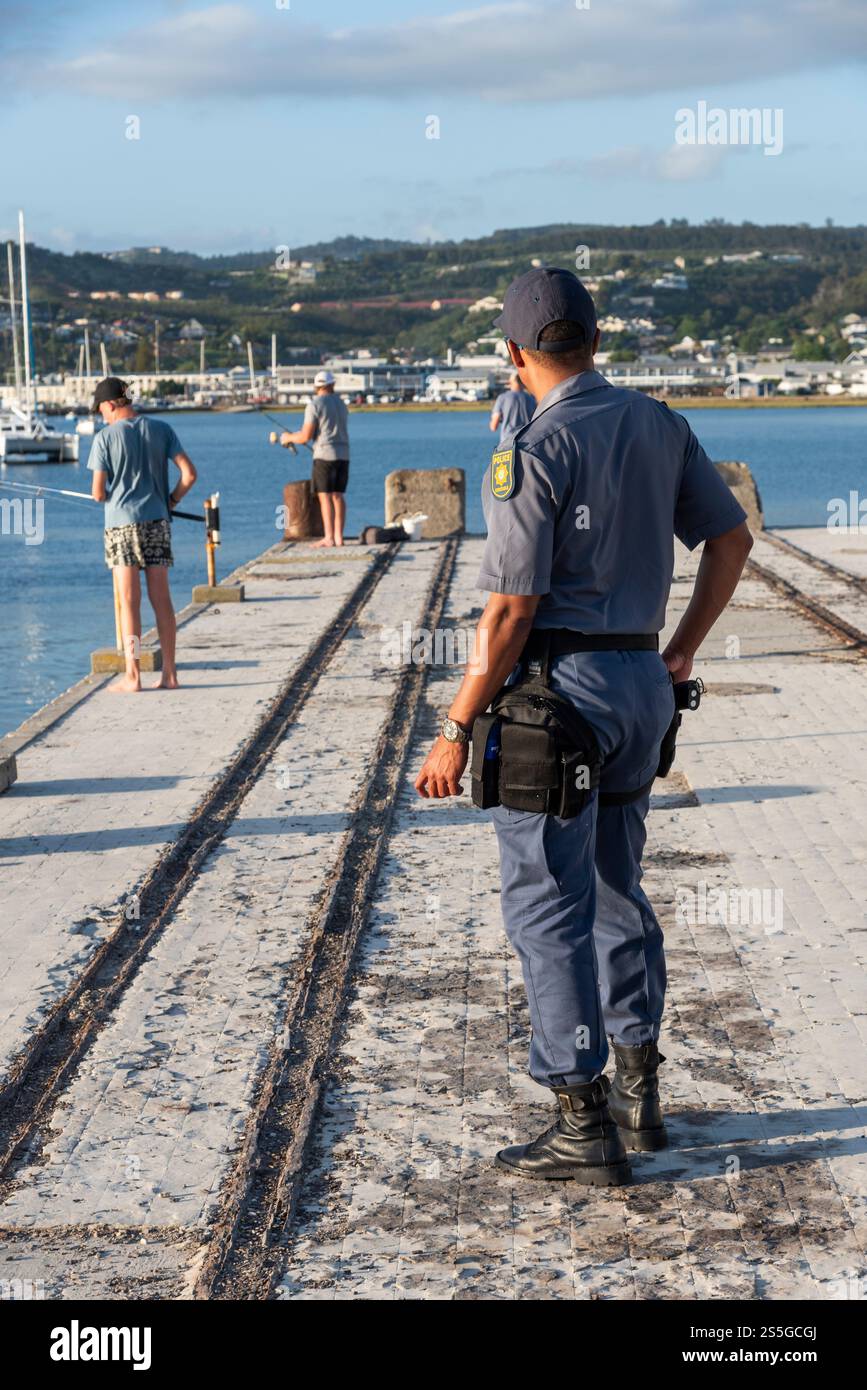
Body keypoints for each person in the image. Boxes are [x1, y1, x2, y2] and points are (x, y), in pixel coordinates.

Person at [415, 268, 752, 1185]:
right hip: (641, 679)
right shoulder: (659, 423)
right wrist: (678, 650)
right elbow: (730, 541)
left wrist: (453, 723)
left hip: (555, 697)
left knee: (544, 905)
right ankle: (639, 1096)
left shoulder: (532, 449)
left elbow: (508, 610)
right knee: (616, 887)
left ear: (514, 352)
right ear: (595, 343)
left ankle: (578, 1117)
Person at [88, 377, 197, 693]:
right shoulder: (162, 430)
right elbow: (189, 474)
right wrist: (171, 500)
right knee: (161, 599)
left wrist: (111, 494)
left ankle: (133, 675)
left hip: (121, 525)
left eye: (101, 411)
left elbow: (97, 494)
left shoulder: (105, 438)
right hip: (157, 522)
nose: (102, 417)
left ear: (110, 405)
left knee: (128, 601)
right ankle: (170, 674)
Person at [280, 369, 350, 547]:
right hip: (343, 455)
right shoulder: (342, 405)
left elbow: (305, 436)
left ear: (316, 386)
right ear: (332, 385)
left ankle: (328, 537)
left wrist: (287, 438)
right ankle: (338, 537)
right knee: (338, 496)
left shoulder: (314, 405)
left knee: (324, 496)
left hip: (324, 456)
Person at [490, 371, 535, 444]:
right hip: (527, 443)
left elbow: (493, 427)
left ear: (511, 382)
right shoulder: (531, 399)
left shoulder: (503, 398)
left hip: (507, 444)